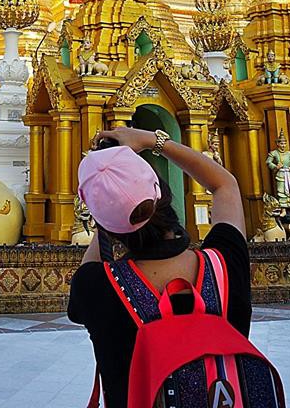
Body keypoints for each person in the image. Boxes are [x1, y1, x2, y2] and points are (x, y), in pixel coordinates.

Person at [68, 125, 251, 408]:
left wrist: (107, 201)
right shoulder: (224, 265)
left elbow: (91, 266)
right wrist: (153, 140)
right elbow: (225, 184)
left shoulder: (95, 287)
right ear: (162, 193)